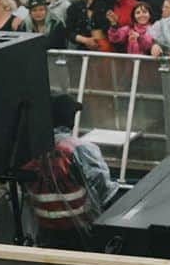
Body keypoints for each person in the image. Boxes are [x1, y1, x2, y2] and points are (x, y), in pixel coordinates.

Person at [20, 94, 120, 249]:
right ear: (70, 119)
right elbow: (104, 190)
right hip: (80, 233)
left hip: (46, 233)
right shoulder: (79, 149)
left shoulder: (29, 149)